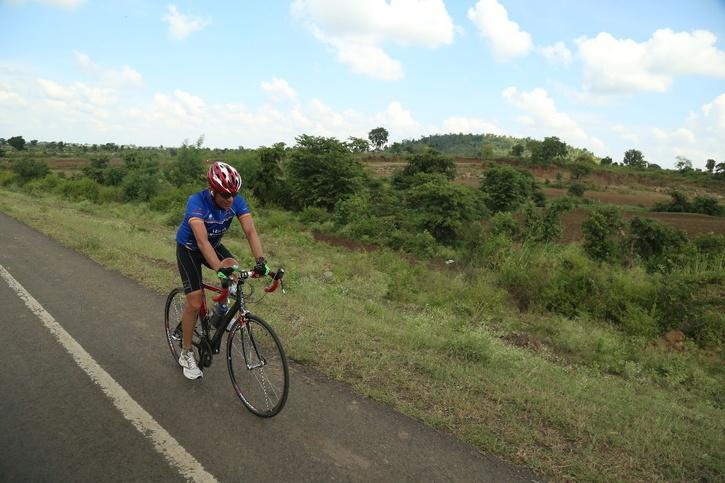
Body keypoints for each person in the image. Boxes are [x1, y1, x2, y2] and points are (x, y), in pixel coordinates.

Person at [174, 161, 269, 380]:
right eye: (225, 195)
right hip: (190, 249)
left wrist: (260, 261)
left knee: (233, 268)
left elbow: (250, 231)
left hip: (213, 245)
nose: (230, 200)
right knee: (195, 301)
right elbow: (201, 240)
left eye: (233, 195)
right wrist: (218, 270)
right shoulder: (197, 202)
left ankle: (220, 313)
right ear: (213, 190)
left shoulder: (236, 201)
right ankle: (186, 353)